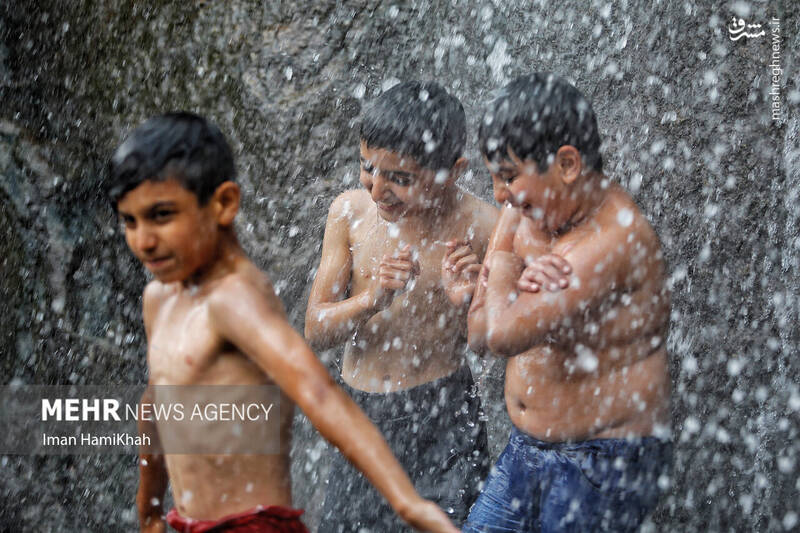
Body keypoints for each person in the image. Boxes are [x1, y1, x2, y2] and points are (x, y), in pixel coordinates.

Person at [107, 112, 459, 533]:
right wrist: (149, 503)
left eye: (162, 216)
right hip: (188, 522)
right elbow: (156, 401)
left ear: (223, 204)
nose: (143, 241)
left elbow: (318, 392)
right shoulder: (159, 298)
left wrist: (408, 503)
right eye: (130, 221)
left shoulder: (234, 300)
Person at [463, 73, 673, 532]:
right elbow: (478, 334)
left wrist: (503, 268)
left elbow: (502, 333)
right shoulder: (524, 209)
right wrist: (511, 289)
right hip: (525, 450)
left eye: (508, 176)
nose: (498, 195)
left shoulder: (612, 241)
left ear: (568, 164)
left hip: (602, 460)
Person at [305, 81, 498, 531]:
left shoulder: (484, 227)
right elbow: (316, 330)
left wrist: (469, 301)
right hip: (362, 414)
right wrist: (372, 299)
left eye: (400, 178)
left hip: (445, 414)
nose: (378, 190)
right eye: (368, 167)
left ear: (453, 171)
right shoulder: (349, 214)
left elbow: (493, 344)